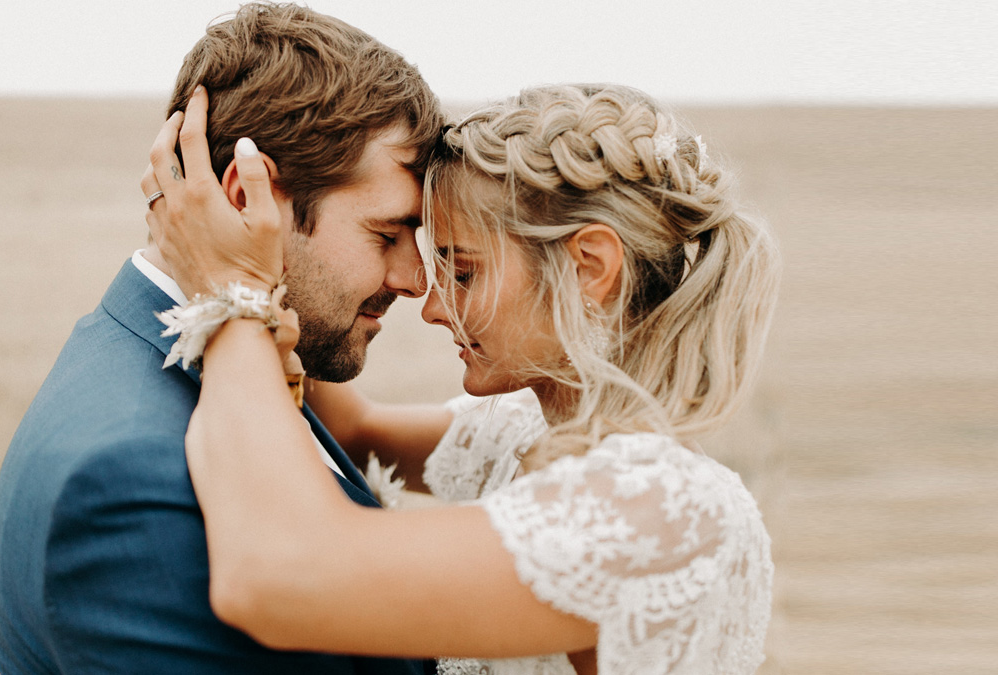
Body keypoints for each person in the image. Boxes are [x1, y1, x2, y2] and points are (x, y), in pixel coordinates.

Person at [142, 82, 781, 674]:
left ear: (590, 266)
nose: (432, 306)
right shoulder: (518, 430)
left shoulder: (666, 512)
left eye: (464, 272)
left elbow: (274, 578)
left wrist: (232, 289)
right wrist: (281, 238)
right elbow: (353, 428)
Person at [0, 4, 444, 673]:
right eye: (386, 234)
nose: (413, 278)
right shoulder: (129, 486)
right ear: (244, 198)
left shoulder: (233, 355)